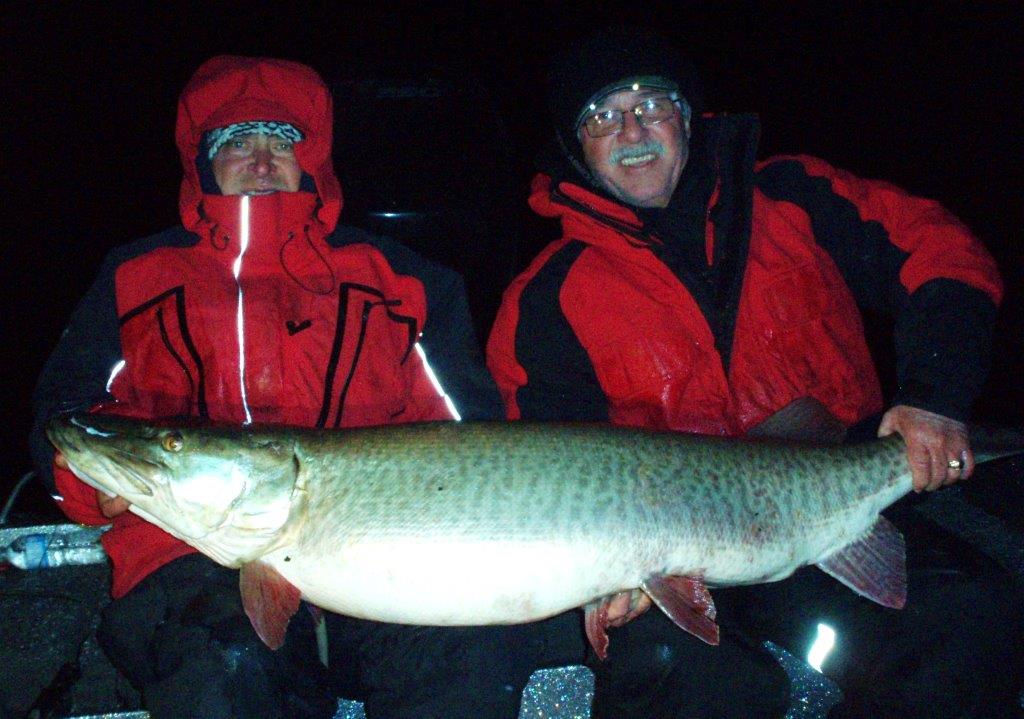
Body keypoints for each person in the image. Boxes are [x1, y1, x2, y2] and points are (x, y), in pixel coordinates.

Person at [487, 27, 1024, 719]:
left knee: (963, 621)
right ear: (575, 147)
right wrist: (599, 577)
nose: (632, 128)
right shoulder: (544, 299)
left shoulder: (791, 196)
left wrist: (933, 396)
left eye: (651, 103)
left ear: (687, 116)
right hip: (670, 564)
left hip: (838, 506)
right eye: (602, 117)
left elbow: (942, 254)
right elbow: (548, 471)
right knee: (676, 679)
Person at [29, 55, 555, 719]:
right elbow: (64, 416)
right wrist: (88, 484)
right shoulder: (136, 278)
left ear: (311, 159)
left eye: (280, 142)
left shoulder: (405, 281)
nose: (259, 159)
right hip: (191, 552)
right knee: (224, 667)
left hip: (385, 560)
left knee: (468, 658)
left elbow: (472, 436)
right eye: (236, 142)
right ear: (203, 162)